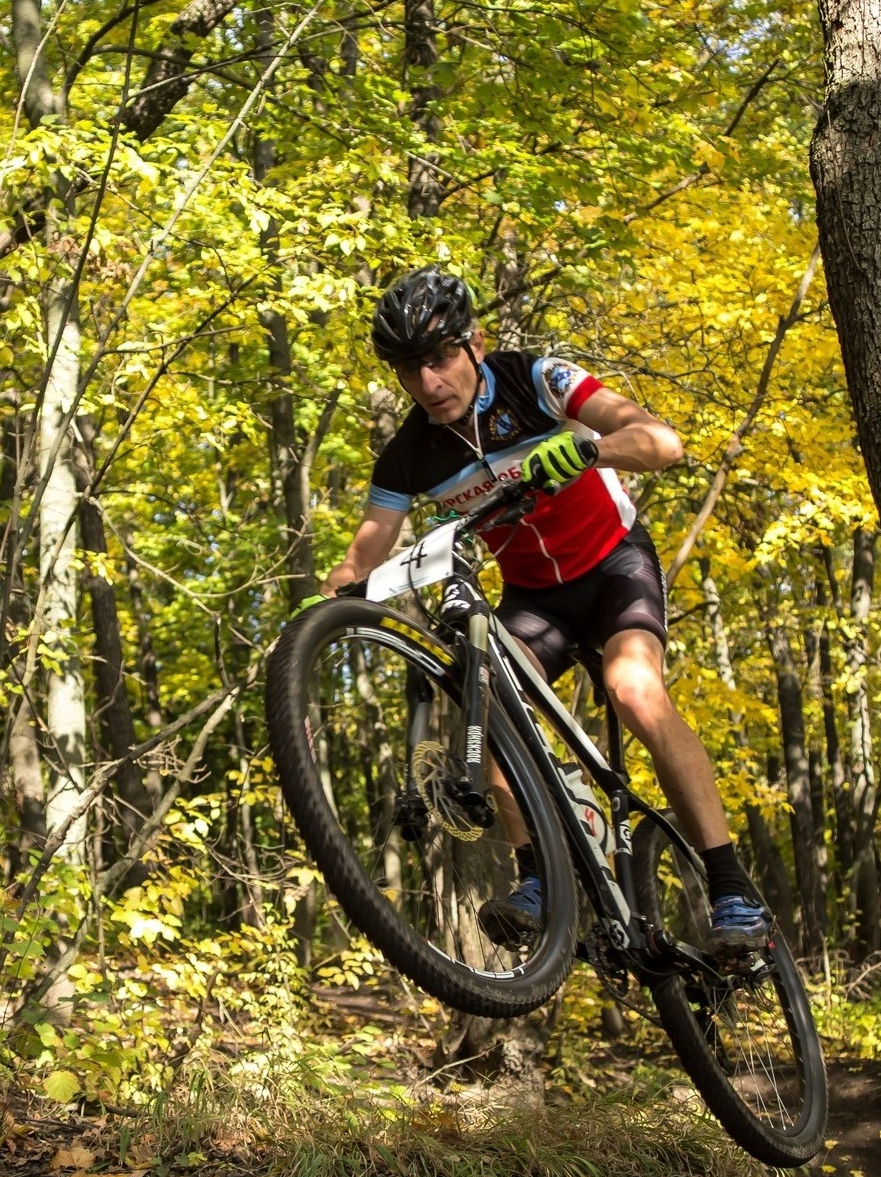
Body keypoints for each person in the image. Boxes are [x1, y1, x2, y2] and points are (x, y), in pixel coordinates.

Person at [320, 267, 773, 954]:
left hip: (614, 565)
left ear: (474, 341)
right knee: (488, 699)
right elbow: (366, 547)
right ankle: (535, 878)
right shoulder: (409, 454)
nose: (428, 383)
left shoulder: (536, 379)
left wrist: (586, 447)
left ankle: (731, 887)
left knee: (633, 690)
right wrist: (327, 602)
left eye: (439, 359)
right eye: (408, 371)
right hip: (535, 599)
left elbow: (662, 441)